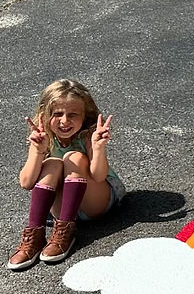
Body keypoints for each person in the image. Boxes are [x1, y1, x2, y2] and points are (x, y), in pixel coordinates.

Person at [7, 80, 126, 270]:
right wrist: (38, 151)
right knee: (52, 163)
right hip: (61, 206)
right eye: (57, 114)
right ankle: (34, 236)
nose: (64, 121)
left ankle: (65, 231)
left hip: (95, 201)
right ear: (46, 115)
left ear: (85, 116)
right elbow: (26, 182)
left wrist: (98, 147)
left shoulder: (88, 135)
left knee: (74, 158)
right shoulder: (43, 136)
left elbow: (98, 175)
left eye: (73, 115)